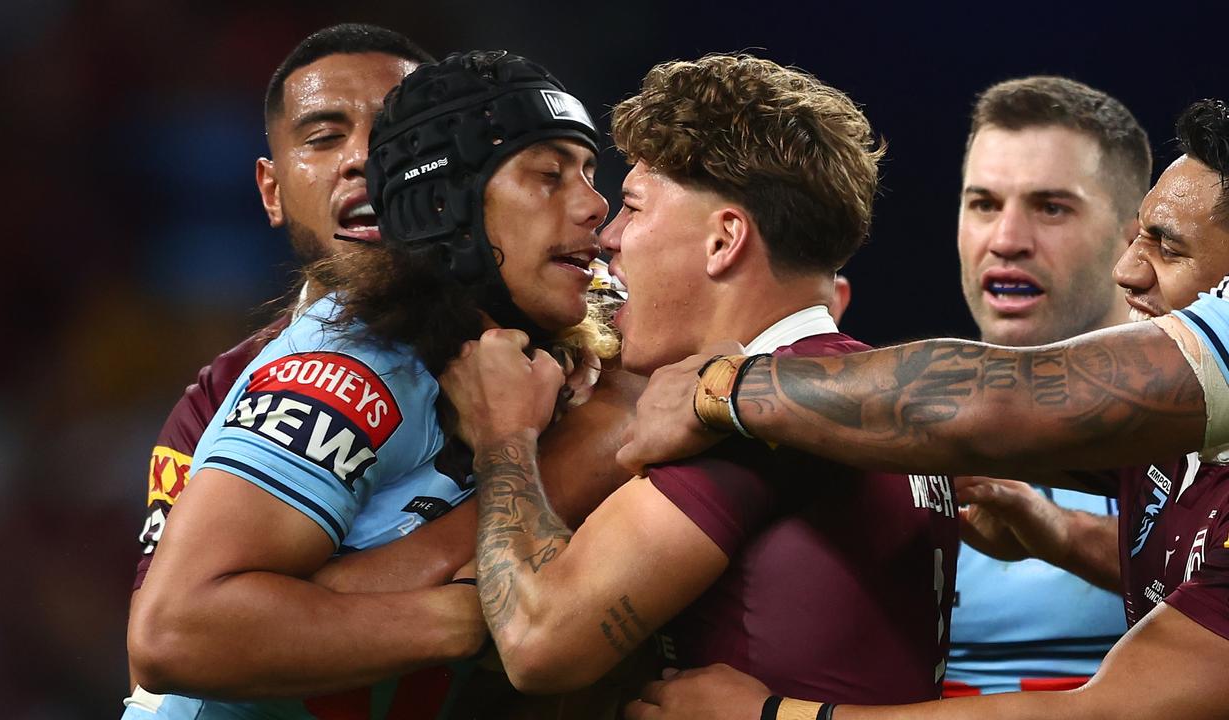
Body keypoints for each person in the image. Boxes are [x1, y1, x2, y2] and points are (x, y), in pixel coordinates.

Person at [619, 99, 1229, 720]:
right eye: (983, 203)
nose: (1126, 271)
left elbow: (1111, 713)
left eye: (1169, 249)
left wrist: (775, 717)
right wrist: (1063, 533)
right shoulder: (1190, 428)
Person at [127, 48, 637, 718]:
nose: (595, 206)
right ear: (445, 204)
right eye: (548, 176)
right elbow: (174, 634)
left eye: (591, 174)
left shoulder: (549, 357)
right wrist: (479, 617)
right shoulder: (345, 368)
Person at [441, 54, 958, 704]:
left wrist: (503, 435)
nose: (609, 238)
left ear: (724, 240)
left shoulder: (756, 414)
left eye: (632, 206)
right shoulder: (847, 386)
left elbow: (537, 644)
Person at [943, 76, 1149, 696]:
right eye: (983, 204)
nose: (1006, 241)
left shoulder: (1209, 421)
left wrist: (1060, 535)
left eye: (1051, 207)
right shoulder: (887, 426)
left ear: (1134, 236)